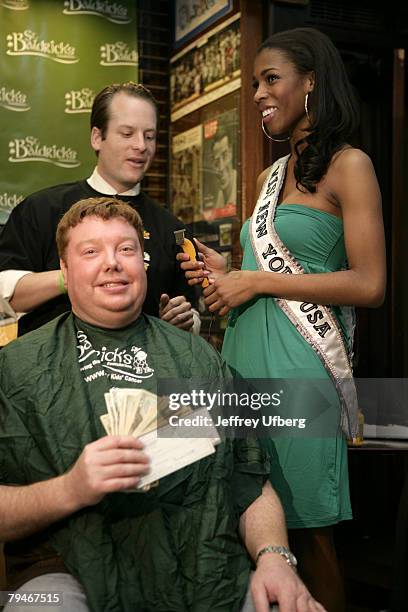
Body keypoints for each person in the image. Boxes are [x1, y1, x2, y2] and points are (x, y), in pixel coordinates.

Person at [0, 198, 324, 612]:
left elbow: (251, 482)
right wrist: (71, 488)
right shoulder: (17, 369)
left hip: (204, 565)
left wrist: (275, 558)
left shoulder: (197, 359)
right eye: (91, 251)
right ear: (65, 271)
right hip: (70, 570)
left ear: (144, 265)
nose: (112, 263)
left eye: (126, 249)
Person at [178, 27, 386, 612]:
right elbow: (263, 272)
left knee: (308, 531)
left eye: (271, 79)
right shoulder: (273, 175)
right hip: (242, 357)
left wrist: (258, 279)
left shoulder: (351, 165)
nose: (258, 94)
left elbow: (370, 284)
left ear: (312, 82)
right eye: (254, 84)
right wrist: (230, 271)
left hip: (303, 366)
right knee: (249, 518)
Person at [0, 82, 198, 337]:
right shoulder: (40, 210)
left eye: (149, 136)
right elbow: (5, 294)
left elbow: (190, 311)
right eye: (127, 133)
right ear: (97, 137)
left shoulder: (172, 229)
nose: (141, 146)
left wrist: (183, 321)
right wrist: (71, 277)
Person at [210, 125, 237, 209]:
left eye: (224, 155)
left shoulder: (241, 190)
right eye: (216, 160)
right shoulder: (217, 198)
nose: (221, 167)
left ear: (231, 152)